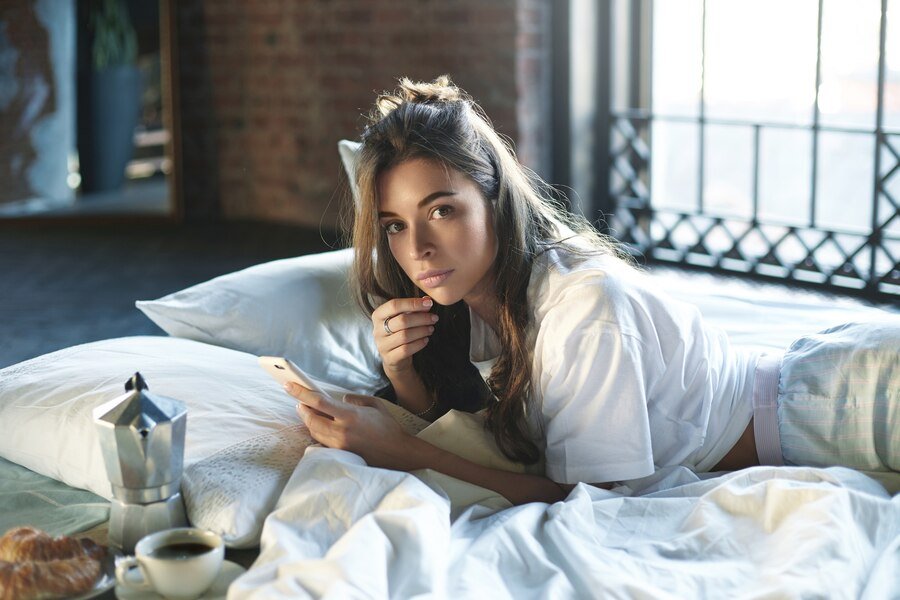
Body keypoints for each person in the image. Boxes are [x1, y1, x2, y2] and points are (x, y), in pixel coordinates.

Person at [284, 75, 900, 505]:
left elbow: (590, 503)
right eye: (394, 225)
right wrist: (406, 374)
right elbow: (486, 436)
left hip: (840, 404)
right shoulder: (469, 301)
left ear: (495, 200)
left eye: (442, 211)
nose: (416, 248)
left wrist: (400, 452)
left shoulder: (584, 306)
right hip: (817, 377)